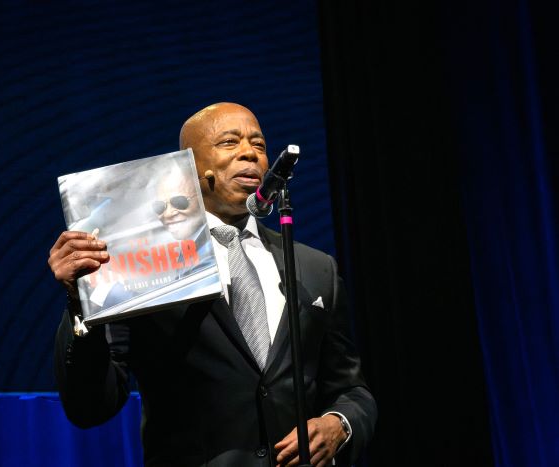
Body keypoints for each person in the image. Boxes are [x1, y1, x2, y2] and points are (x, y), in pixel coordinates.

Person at [49, 103, 377, 466]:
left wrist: (339, 425)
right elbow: (92, 406)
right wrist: (81, 302)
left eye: (259, 144)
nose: (250, 153)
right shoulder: (143, 268)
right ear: (188, 165)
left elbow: (351, 390)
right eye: (229, 142)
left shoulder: (316, 269)